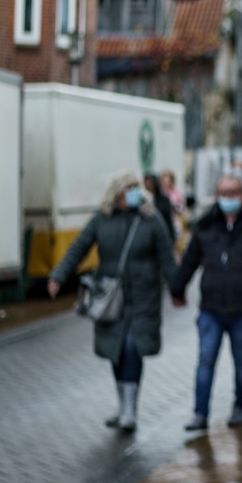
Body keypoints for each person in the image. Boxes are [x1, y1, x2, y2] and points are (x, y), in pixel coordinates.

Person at [48, 171, 177, 434]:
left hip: (144, 297)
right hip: (110, 298)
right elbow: (78, 248)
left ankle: (130, 409)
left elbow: (166, 256)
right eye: (128, 189)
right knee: (115, 351)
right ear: (116, 193)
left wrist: (178, 288)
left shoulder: (150, 219)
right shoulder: (101, 220)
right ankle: (122, 406)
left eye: (136, 188)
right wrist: (58, 276)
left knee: (132, 347)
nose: (134, 193)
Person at [170, 174, 242, 431]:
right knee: (205, 360)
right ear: (216, 195)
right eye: (223, 193)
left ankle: (239, 408)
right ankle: (200, 414)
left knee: (241, 360)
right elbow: (190, 259)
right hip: (211, 307)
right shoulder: (206, 224)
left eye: (233, 193)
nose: (228, 199)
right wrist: (178, 288)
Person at [144, 173, 175, 242]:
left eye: (150, 182)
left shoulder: (164, 200)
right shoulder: (142, 200)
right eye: (147, 182)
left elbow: (168, 219)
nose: (148, 185)